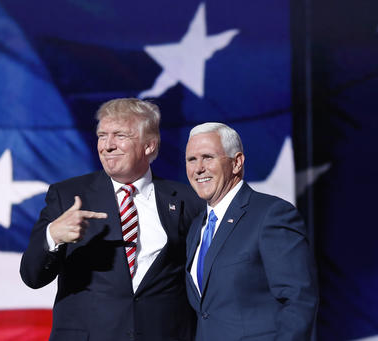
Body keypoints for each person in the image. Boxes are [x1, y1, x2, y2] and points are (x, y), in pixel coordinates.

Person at [20, 98, 204, 341]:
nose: (107, 145)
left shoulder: (188, 200)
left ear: (149, 146)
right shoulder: (67, 195)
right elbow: (32, 277)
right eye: (102, 135)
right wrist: (53, 236)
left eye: (119, 135)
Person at [184, 122, 318, 341]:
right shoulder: (196, 227)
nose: (198, 168)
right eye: (191, 159)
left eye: (208, 157)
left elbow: (299, 299)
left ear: (237, 163)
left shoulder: (271, 214)